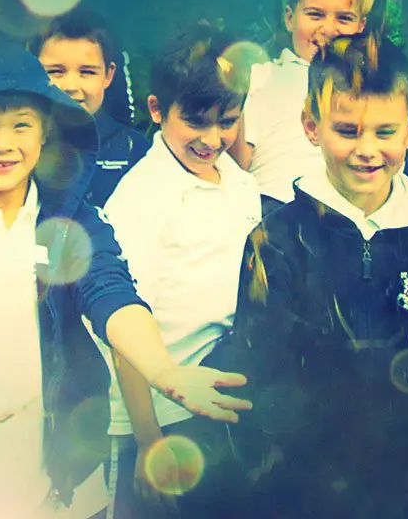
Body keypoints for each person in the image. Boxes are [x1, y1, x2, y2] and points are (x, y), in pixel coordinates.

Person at [0, 42, 251, 519]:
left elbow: (110, 290)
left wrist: (162, 370)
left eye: (21, 125)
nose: (3, 143)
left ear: (46, 134)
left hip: (58, 465)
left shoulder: (73, 220)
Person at [223, 37, 408, 518]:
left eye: (385, 132)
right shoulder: (275, 242)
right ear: (311, 126)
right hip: (309, 491)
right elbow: (261, 375)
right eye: (347, 130)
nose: (368, 151)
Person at [96, 26, 262, 519]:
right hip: (159, 416)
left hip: (223, 405)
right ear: (155, 109)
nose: (212, 139)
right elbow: (123, 328)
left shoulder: (241, 184)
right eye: (195, 122)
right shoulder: (140, 198)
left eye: (227, 121)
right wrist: (149, 442)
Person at [234, 0, 373, 207]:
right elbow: (236, 169)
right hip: (275, 206)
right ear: (289, 18)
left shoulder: (371, 83)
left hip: (346, 214)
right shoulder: (261, 78)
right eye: (315, 15)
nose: (328, 29)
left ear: (361, 25)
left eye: (344, 19)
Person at [29, 7, 151, 207]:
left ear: (108, 76)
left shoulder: (134, 151)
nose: (70, 87)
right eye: (55, 71)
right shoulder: (20, 148)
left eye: (87, 72)